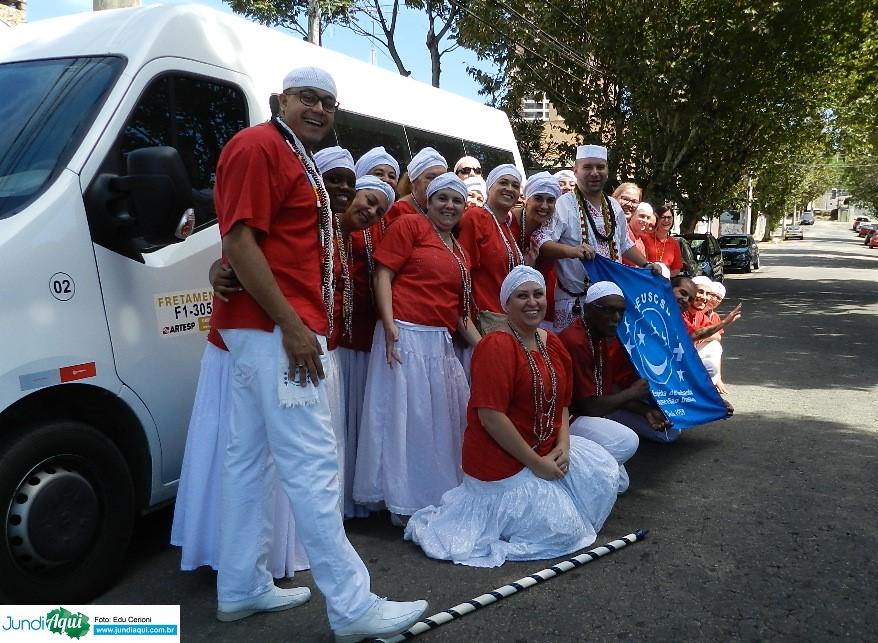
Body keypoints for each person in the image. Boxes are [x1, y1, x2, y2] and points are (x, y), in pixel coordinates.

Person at [209, 65, 426, 641]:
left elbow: (259, 243)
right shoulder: (259, 145)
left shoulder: (292, 153)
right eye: (309, 98)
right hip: (278, 332)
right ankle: (353, 607)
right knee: (313, 467)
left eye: (329, 102)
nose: (320, 109)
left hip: (270, 330)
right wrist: (293, 326)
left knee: (248, 461)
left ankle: (240, 585)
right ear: (282, 99)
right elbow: (237, 240)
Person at [404, 266, 619, 567]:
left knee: (606, 474)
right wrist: (538, 465)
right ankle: (511, 517)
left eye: (538, 294)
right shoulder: (496, 346)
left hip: (544, 447)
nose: (532, 302)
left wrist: (563, 447)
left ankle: (543, 498)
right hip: (502, 463)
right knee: (565, 531)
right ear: (506, 304)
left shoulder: (551, 341)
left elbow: (563, 403)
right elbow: (491, 417)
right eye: (522, 296)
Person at [355, 173, 482, 521]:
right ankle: (400, 498)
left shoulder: (459, 250)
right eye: (442, 198)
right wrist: (390, 322)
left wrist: (485, 347)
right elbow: (383, 274)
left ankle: (427, 490)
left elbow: (457, 312)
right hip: (405, 334)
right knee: (405, 419)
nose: (449, 206)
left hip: (438, 341)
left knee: (435, 421)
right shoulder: (410, 226)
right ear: (428, 200)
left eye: (457, 200)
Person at [331, 174, 396, 518]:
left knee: (357, 421)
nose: (371, 210)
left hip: (364, 336)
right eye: (368, 200)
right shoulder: (326, 225)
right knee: (337, 422)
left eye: (379, 208)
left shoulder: (378, 230)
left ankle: (354, 497)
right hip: (335, 339)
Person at [538, 145, 657, 331]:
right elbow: (542, 242)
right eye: (587, 167)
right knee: (575, 356)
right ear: (575, 171)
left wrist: (645, 264)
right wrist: (573, 251)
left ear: (607, 170)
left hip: (609, 301)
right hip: (575, 300)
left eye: (600, 167)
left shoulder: (614, 207)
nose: (595, 172)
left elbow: (624, 243)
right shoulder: (564, 205)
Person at [559, 281, 677, 450]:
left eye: (621, 311)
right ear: (588, 309)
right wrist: (632, 392)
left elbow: (607, 388)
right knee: (626, 442)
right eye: (608, 310)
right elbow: (589, 407)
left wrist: (645, 411)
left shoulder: (599, 335)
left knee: (669, 432)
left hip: (594, 411)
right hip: (567, 419)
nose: (616, 318)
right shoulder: (576, 341)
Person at [457, 163, 525, 322]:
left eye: (515, 185)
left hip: (506, 317)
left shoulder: (506, 226)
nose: (509, 188)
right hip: (483, 316)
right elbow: (462, 270)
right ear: (489, 187)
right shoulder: (476, 217)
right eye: (503, 183)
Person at [509, 171, 561, 329]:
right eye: (538, 198)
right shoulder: (508, 221)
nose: (544, 206)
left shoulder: (555, 229)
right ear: (526, 199)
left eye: (550, 200)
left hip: (536, 306)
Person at [385, 147, 447, 226]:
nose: (438, 183)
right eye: (431, 178)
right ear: (413, 182)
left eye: (443, 178)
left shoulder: (445, 211)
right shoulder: (396, 211)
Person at [643, 204, 683, 277]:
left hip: (664, 282)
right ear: (657, 219)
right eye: (663, 217)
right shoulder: (645, 237)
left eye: (669, 217)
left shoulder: (674, 243)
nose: (666, 220)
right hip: (646, 278)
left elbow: (676, 269)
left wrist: (664, 275)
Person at [622, 202, 656, 268]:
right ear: (633, 215)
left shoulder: (640, 239)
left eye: (648, 218)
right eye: (642, 216)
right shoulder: (625, 233)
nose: (645, 220)